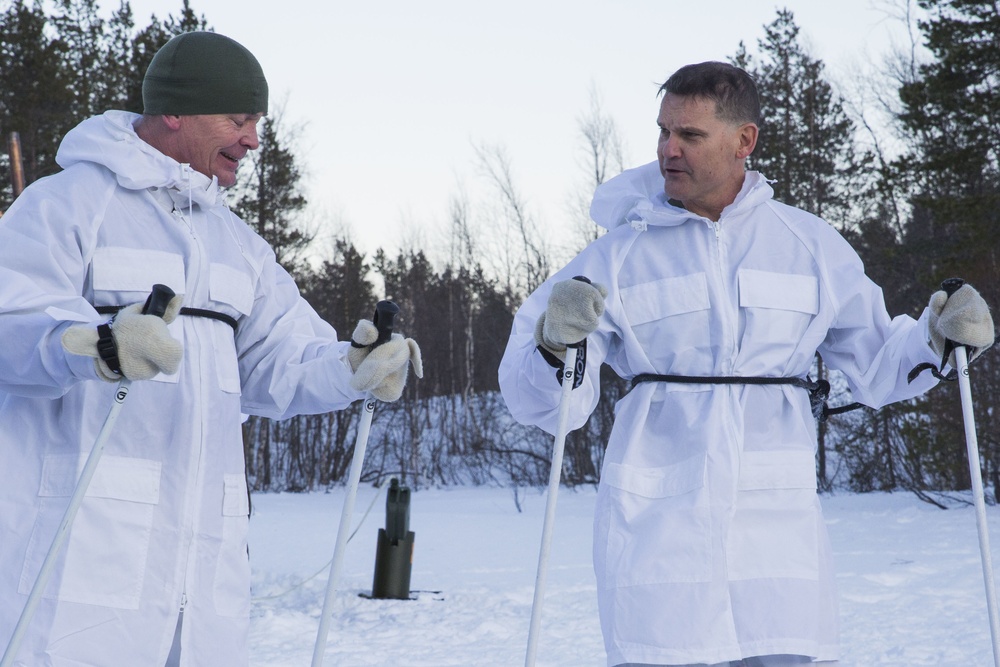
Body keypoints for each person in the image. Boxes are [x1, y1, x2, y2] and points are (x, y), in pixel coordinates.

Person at [498, 61, 994, 667]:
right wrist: (555, 345)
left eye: (690, 135)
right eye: (663, 132)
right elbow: (544, 405)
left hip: (776, 540)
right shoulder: (616, 257)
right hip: (658, 536)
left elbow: (880, 365)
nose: (668, 149)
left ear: (745, 140)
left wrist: (938, 339)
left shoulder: (807, 246)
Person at [0, 32, 421, 666]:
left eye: (256, 122)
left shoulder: (239, 245)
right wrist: (92, 346)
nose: (253, 139)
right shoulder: (68, 205)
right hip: (80, 561)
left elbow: (279, 362)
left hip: (203, 576)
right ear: (175, 111)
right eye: (238, 119)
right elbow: (12, 320)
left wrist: (351, 368)